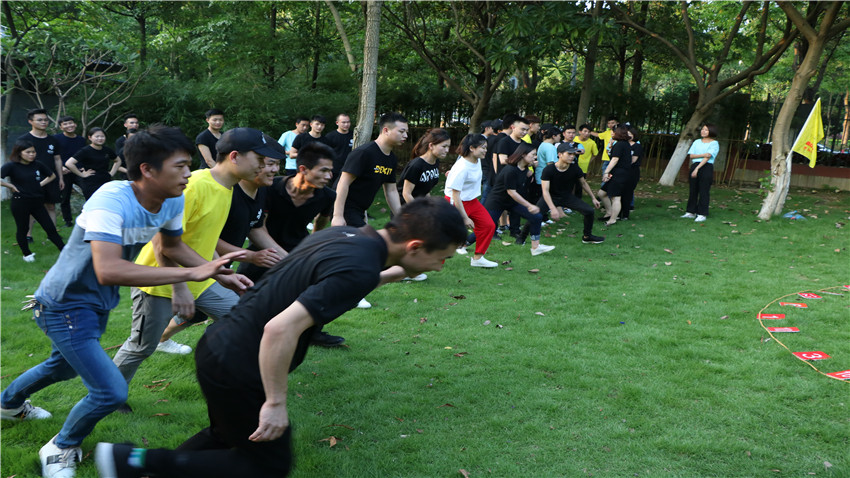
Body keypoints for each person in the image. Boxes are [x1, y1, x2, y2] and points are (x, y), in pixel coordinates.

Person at [94, 198, 467, 478]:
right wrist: (275, 401)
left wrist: (386, 275)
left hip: (221, 344)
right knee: (266, 465)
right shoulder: (361, 267)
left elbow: (322, 279)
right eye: (443, 257)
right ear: (415, 246)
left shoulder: (346, 235)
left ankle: (147, 470)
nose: (441, 266)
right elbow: (280, 328)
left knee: (226, 438)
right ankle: (133, 460)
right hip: (242, 362)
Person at [0, 125, 244, 478]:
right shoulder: (111, 198)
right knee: (110, 391)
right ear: (147, 169)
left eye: (188, 164)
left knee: (63, 366)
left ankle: (8, 404)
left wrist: (217, 272)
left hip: (97, 304)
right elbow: (109, 268)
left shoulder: (173, 199)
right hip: (63, 303)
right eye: (179, 166)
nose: (189, 173)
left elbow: (173, 247)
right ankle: (61, 447)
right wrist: (189, 276)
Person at [111, 128, 283, 389]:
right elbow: (163, 244)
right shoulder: (194, 186)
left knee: (242, 319)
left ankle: (229, 379)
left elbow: (205, 237)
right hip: (159, 282)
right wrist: (181, 287)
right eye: (259, 159)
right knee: (141, 347)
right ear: (235, 157)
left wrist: (221, 273)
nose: (265, 166)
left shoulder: (227, 188)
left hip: (199, 279)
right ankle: (108, 394)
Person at [156, 138, 286, 355]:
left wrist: (289, 259)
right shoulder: (218, 188)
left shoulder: (256, 190)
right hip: (180, 270)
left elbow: (255, 228)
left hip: (212, 268)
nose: (270, 168)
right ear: (236, 158)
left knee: (235, 318)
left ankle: (223, 361)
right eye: (265, 162)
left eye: (272, 163)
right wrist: (247, 257)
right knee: (142, 344)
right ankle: (162, 340)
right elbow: (183, 239)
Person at [237, 142, 350, 343]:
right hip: (264, 246)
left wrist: (314, 241)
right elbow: (257, 228)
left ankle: (311, 333)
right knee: (240, 289)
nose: (329, 177)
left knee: (317, 287)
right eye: (324, 171)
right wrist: (283, 258)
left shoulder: (327, 196)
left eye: (331, 171)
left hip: (299, 248)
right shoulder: (271, 189)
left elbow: (321, 220)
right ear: (303, 169)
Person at [332, 112, 407, 228]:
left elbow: (391, 191)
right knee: (367, 240)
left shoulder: (391, 159)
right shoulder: (364, 153)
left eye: (406, 132)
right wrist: (338, 215)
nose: (405, 136)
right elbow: (343, 183)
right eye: (401, 132)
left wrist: (401, 219)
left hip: (359, 209)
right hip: (345, 207)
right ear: (386, 130)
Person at [484, 143, 555, 256]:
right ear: (523, 155)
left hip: (511, 203)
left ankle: (535, 247)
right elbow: (511, 192)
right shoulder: (510, 170)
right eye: (533, 154)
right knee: (487, 228)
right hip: (497, 201)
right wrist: (529, 205)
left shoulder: (524, 168)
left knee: (536, 217)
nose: (535, 157)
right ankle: (463, 244)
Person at [1, 139, 66, 261]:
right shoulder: (11, 166)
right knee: (23, 229)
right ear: (19, 153)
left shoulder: (38, 164)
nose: (32, 154)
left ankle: (65, 251)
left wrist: (39, 185)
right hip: (20, 202)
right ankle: (27, 254)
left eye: (33, 152)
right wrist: (10, 186)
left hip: (37, 202)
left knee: (50, 228)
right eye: (28, 152)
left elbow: (51, 175)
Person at [445, 134, 497, 268]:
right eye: (483, 148)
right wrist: (465, 217)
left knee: (488, 226)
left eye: (486, 147)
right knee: (448, 235)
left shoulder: (476, 159)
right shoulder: (462, 167)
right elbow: (455, 195)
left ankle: (478, 258)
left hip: (471, 201)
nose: (486, 150)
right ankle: (432, 261)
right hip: (456, 203)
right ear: (472, 148)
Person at [538, 144, 605, 244]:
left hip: (566, 197)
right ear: (560, 154)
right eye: (569, 154)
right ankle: (521, 238)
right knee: (534, 216)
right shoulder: (549, 170)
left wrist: (593, 198)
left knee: (589, 211)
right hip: (550, 196)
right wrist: (553, 209)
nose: (572, 156)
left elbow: (583, 183)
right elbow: (545, 191)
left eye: (573, 154)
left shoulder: (575, 168)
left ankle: (587, 236)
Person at [18, 109, 64, 237]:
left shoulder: (53, 140)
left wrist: (60, 178)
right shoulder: (23, 139)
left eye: (45, 120)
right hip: (30, 179)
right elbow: (18, 161)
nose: (44, 122)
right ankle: (28, 236)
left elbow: (57, 159)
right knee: (31, 208)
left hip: (51, 177)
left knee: (51, 206)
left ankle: (53, 234)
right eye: (40, 120)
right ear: (30, 122)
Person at [64, 128, 121, 200]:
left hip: (105, 180)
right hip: (91, 182)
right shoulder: (85, 151)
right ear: (90, 137)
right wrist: (82, 175)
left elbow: (118, 160)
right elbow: (69, 163)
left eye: (102, 136)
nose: (100, 138)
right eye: (97, 136)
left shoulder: (107, 150)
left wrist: (112, 173)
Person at [397, 128, 450, 204]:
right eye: (444, 146)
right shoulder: (417, 165)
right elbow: (406, 194)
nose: (447, 150)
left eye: (448, 147)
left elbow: (425, 190)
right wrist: (419, 211)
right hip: (406, 209)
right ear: (431, 146)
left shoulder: (435, 162)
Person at [53, 116, 87, 227]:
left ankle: (88, 217)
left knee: (88, 192)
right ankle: (68, 221)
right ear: (61, 127)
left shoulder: (81, 140)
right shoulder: (56, 139)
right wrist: (61, 168)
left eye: (71, 123)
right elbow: (53, 156)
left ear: (75, 124)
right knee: (65, 197)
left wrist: (83, 167)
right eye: (65, 124)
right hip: (64, 172)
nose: (69, 126)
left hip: (79, 171)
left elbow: (84, 155)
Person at [681, 124, 719, 222]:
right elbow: (692, 156)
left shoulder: (714, 143)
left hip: (706, 167)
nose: (703, 131)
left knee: (704, 190)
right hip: (695, 165)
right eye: (702, 129)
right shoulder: (697, 142)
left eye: (706, 130)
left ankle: (702, 213)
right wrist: (703, 155)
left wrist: (697, 168)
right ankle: (690, 212)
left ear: (711, 131)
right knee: (693, 189)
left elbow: (708, 157)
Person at [596, 125, 633, 227]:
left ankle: (612, 219)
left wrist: (606, 172)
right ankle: (609, 212)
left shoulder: (620, 144)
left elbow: (615, 159)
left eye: (613, 132)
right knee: (601, 193)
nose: (612, 133)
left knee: (615, 197)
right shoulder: (622, 144)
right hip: (619, 173)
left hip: (620, 174)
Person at [619, 125, 643, 221]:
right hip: (622, 171)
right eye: (627, 134)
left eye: (630, 134)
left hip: (632, 172)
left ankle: (625, 214)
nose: (629, 136)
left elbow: (633, 160)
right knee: (619, 193)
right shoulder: (622, 144)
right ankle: (617, 213)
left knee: (628, 193)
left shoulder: (637, 146)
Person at [323, 113, 353, 186]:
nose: (346, 124)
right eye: (343, 122)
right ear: (337, 123)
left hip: (350, 168)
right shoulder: (330, 136)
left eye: (348, 122)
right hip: (334, 170)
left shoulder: (354, 135)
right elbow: (325, 154)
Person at [573, 124, 599, 198]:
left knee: (580, 184)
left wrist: (589, 161)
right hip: (572, 164)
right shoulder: (574, 139)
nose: (587, 133)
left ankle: (577, 201)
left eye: (589, 132)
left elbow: (595, 154)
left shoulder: (592, 143)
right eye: (585, 131)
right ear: (580, 132)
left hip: (583, 166)